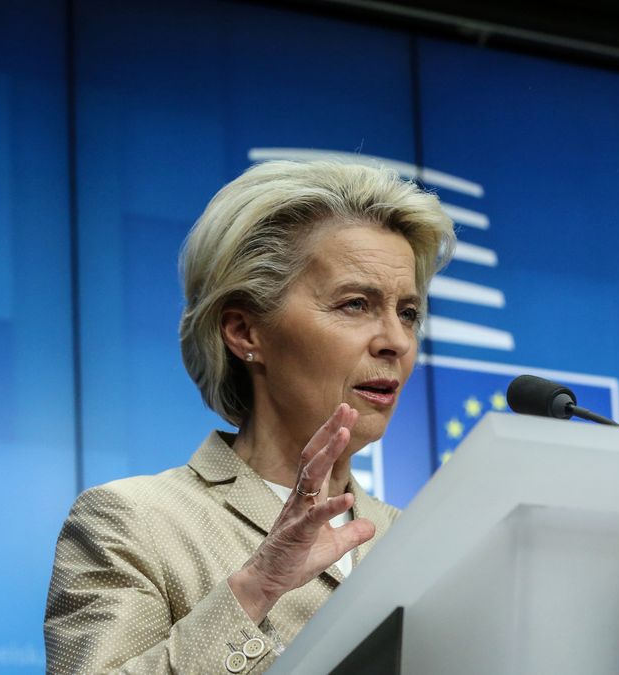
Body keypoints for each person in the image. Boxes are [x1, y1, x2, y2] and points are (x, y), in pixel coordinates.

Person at [43, 160, 456, 673]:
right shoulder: (134, 523)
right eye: (355, 304)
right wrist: (257, 587)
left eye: (408, 313)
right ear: (244, 332)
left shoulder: (419, 542)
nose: (395, 340)